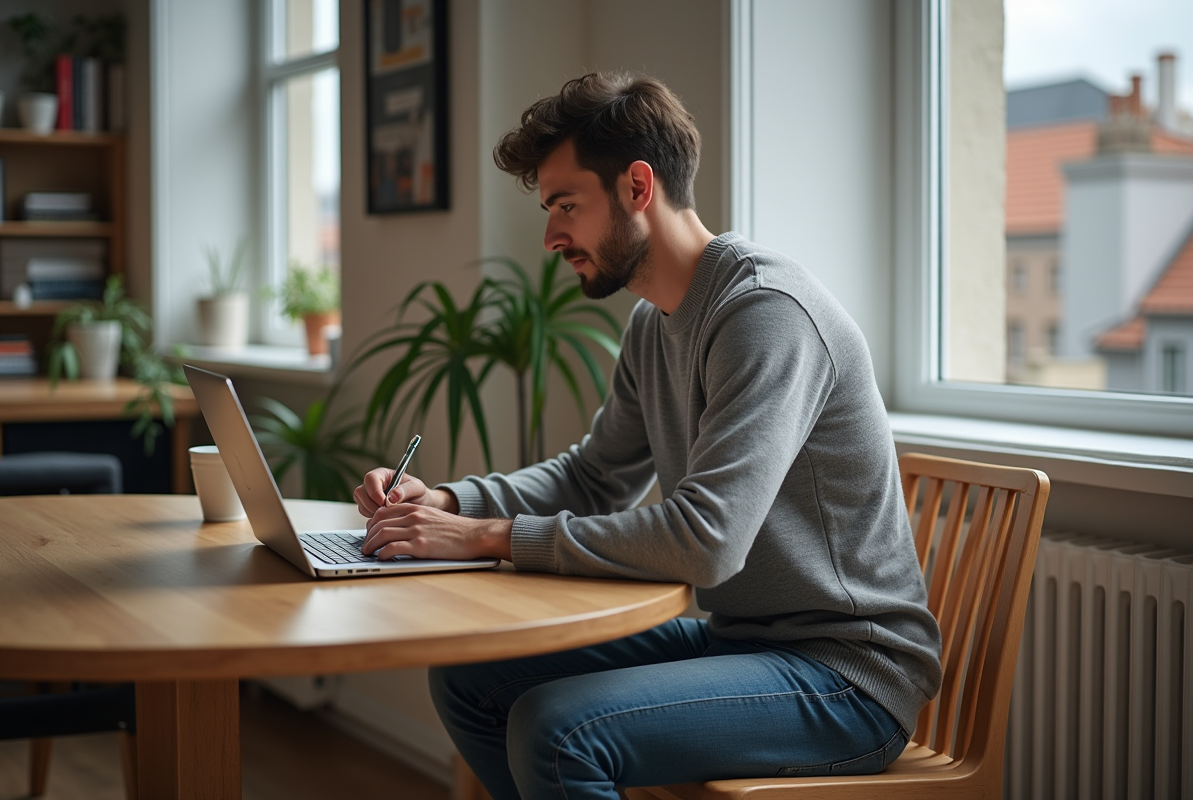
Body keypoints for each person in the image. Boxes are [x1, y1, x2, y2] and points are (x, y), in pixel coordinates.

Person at [353, 72, 941, 800]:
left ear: (638, 186)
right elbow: (595, 477)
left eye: (567, 205)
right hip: (745, 642)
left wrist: (490, 537)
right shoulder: (653, 323)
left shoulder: (765, 313)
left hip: (846, 677)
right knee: (470, 680)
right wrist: (448, 501)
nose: (550, 236)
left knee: (558, 730)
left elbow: (708, 541)